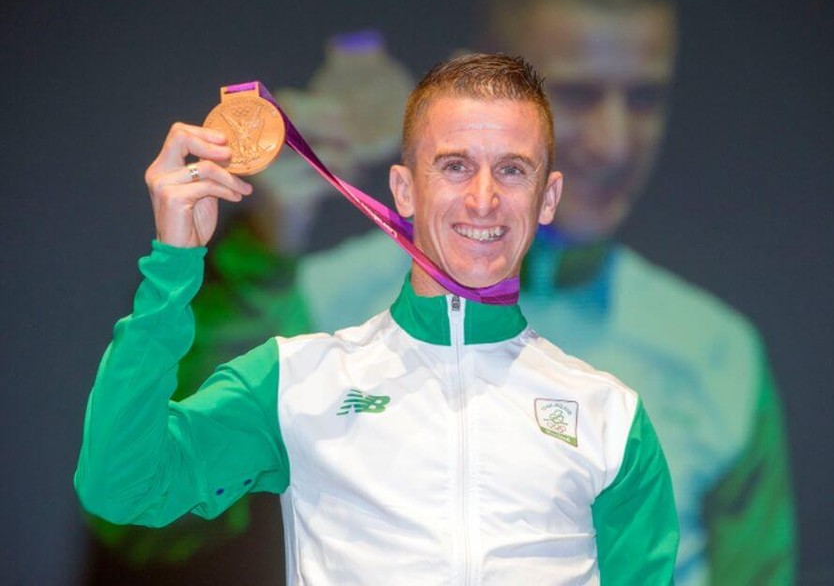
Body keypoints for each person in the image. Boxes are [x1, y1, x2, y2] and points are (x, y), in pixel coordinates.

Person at [75, 53, 679, 585]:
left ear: (547, 198)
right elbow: (121, 485)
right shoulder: (297, 381)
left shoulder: (609, 416)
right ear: (404, 189)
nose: (483, 199)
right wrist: (173, 268)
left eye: (513, 169)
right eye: (455, 166)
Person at [298, 0, 796, 585]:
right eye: (576, 94)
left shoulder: (719, 353)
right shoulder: (318, 310)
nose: (614, 143)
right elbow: (161, 529)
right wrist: (249, 259)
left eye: (643, 99)